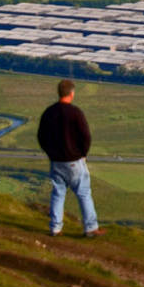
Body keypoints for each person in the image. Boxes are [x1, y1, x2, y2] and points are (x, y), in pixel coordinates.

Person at [37, 79, 103, 237]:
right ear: (72, 93)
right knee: (83, 193)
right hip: (74, 161)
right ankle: (90, 228)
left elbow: (41, 136)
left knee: (58, 193)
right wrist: (83, 153)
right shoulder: (75, 112)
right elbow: (86, 136)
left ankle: (55, 228)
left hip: (56, 161)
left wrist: (50, 153)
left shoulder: (49, 112)